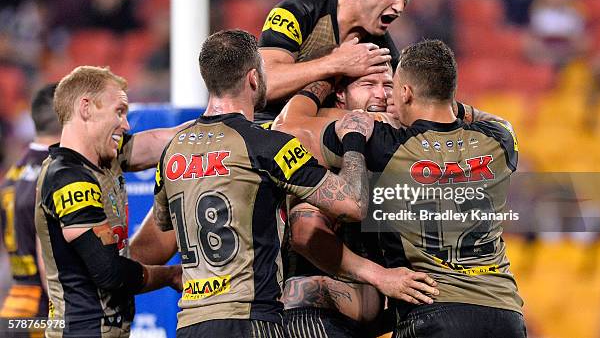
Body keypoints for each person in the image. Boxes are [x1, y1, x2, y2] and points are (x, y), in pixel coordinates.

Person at [152, 29, 373, 338]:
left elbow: (164, 222)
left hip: (191, 323)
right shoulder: (267, 145)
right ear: (254, 78)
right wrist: (353, 139)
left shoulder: (172, 150)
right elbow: (353, 204)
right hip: (251, 318)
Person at [320, 40, 526, 338]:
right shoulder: (500, 141)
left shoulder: (384, 145)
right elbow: (498, 122)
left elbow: (298, 127)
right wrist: (450, 102)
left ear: (404, 93)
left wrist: (354, 126)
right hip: (505, 314)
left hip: (434, 310)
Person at [273, 54, 437, 338]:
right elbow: (305, 234)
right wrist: (380, 277)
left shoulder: (394, 148)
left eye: (388, 85)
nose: (381, 94)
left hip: (364, 321)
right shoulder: (325, 148)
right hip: (316, 319)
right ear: (340, 96)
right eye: (367, 83)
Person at [34, 66, 185, 338]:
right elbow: (110, 273)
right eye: (119, 111)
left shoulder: (104, 158)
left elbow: (163, 142)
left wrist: (219, 127)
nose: (126, 124)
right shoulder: (70, 179)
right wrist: (171, 275)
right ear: (86, 108)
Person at [257, 0, 421, 122]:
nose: (400, 7)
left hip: (325, 142)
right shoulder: (298, 12)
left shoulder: (382, 49)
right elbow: (264, 86)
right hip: (267, 133)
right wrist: (336, 64)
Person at [0, 84, 60, 338]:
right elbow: (48, 256)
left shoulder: (12, 174)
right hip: (43, 313)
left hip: (13, 306)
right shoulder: (57, 172)